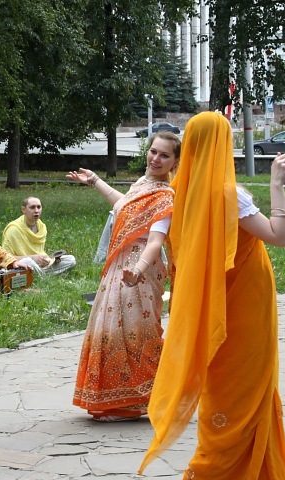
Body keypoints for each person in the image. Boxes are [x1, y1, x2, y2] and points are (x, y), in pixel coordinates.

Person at [138, 112, 285, 480]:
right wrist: (277, 184)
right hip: (245, 312)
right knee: (245, 401)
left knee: (232, 399)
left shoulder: (176, 195)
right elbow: (279, 237)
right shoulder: (231, 196)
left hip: (210, 315)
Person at [66, 131, 180, 422]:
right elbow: (123, 206)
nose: (156, 159)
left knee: (134, 332)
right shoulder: (142, 185)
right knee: (111, 329)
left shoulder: (165, 195)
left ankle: (137, 400)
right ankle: (117, 399)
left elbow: (155, 240)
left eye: (165, 155)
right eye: (153, 151)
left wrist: (137, 271)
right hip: (120, 265)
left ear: (175, 162)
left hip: (140, 269)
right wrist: (94, 181)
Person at [1, 196, 77, 276]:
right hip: (23, 265)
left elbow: (41, 253)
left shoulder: (42, 227)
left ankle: (40, 275)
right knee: (27, 261)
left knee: (71, 259)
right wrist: (33, 258)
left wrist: (49, 259)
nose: (36, 211)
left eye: (39, 207)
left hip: (41, 266)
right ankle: (44, 276)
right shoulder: (13, 229)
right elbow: (6, 258)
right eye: (32, 207)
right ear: (23, 209)